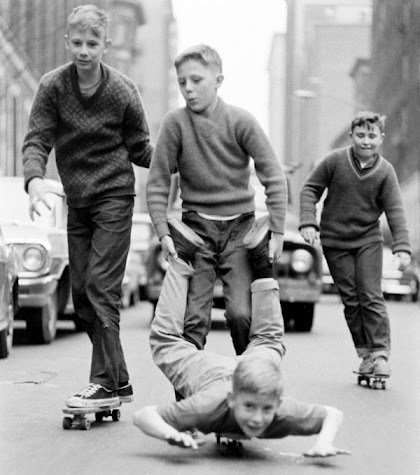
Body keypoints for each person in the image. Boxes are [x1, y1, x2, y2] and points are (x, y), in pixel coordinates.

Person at [22, 4, 153, 409]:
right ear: (67, 42)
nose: (83, 51)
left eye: (92, 43)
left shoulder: (122, 91)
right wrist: (34, 179)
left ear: (105, 46)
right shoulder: (53, 87)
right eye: (77, 42)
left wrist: (183, 156)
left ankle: (101, 382)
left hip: (114, 195)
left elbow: (142, 149)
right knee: (81, 295)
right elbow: (37, 139)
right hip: (76, 200)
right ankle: (119, 380)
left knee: (100, 287)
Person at [133, 228, 348, 458]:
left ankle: (184, 256)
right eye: (249, 407)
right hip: (211, 375)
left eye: (267, 409)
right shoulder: (209, 405)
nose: (257, 418)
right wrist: (171, 433)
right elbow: (143, 416)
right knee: (265, 339)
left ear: (278, 403)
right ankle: (260, 262)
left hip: (254, 370)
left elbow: (331, 414)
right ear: (232, 400)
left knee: (268, 340)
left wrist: (325, 443)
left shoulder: (281, 411)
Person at [146, 43, 288, 356]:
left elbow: (274, 176)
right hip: (196, 232)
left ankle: (248, 389)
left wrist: (277, 231)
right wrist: (163, 231)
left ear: (218, 80)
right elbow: (157, 181)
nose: (188, 89)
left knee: (241, 315)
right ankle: (191, 397)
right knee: (192, 321)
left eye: (196, 80)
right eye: (182, 82)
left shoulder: (242, 121)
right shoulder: (175, 124)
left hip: (240, 231)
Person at [299, 111, 411, 378]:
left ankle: (380, 354)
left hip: (368, 240)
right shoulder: (335, 161)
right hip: (335, 241)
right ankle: (364, 354)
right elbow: (309, 189)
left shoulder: (385, 172)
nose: (366, 141)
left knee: (371, 295)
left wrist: (402, 247)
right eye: (360, 135)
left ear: (381, 138)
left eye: (372, 136)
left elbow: (395, 210)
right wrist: (307, 222)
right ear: (351, 136)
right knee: (351, 299)